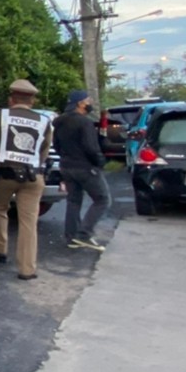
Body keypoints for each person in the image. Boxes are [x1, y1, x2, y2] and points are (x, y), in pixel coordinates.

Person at [0, 79, 54, 281]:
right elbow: (45, 150)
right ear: (32, 100)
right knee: (28, 222)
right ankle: (27, 269)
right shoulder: (44, 121)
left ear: (11, 98)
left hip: (4, 173)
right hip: (33, 175)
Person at [51, 89, 111, 252]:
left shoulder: (59, 122)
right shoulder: (84, 123)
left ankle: (71, 237)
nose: (89, 103)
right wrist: (100, 162)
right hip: (85, 167)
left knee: (73, 200)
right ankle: (84, 235)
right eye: (87, 100)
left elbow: (56, 144)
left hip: (67, 166)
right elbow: (91, 147)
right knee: (102, 200)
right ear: (80, 104)